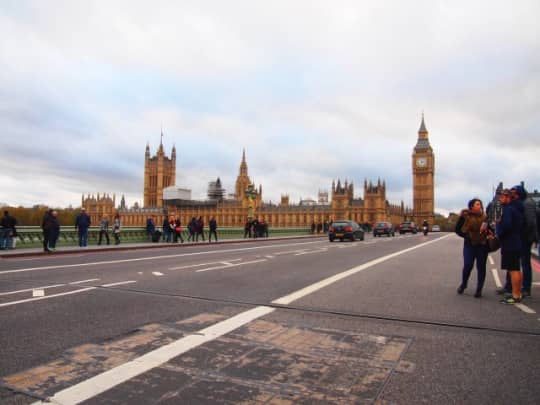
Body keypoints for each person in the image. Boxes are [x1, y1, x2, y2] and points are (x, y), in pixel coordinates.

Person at [455, 198, 489, 298]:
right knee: (468, 265)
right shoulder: (465, 216)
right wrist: (466, 236)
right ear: (472, 206)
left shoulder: (486, 217)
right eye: (477, 204)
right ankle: (464, 284)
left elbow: (491, 228)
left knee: (481, 267)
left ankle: (479, 289)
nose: (480, 206)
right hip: (469, 245)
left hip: (482, 245)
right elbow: (457, 229)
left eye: (480, 204)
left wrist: (489, 231)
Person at [497, 189, 524, 304]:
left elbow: (507, 226)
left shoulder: (508, 210)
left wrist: (499, 230)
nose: (500, 199)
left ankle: (515, 296)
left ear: (508, 198)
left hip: (510, 244)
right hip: (516, 242)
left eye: (502, 197)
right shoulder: (517, 209)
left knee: (513, 270)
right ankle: (518, 293)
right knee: (516, 269)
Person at [512, 185, 538, 298]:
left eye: (515, 193)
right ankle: (512, 286)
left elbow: (531, 223)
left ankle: (526, 288)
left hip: (525, 239)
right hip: (521, 238)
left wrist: (524, 236)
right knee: (515, 263)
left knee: (525, 263)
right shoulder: (522, 202)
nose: (514, 196)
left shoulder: (527, 203)